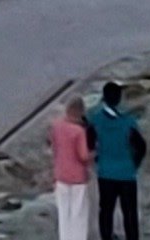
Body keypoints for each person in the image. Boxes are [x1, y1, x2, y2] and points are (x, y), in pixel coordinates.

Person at [90, 80, 147, 240]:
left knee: (106, 210)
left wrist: (99, 160)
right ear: (119, 98)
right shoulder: (128, 122)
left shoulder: (96, 120)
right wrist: (133, 164)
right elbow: (141, 147)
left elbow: (89, 143)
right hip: (126, 173)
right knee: (129, 212)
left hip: (106, 172)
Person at [53, 93, 94, 240]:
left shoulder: (57, 126)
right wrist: (93, 155)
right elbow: (83, 155)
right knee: (78, 213)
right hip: (77, 178)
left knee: (63, 213)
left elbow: (54, 147)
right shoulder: (78, 131)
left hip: (61, 176)